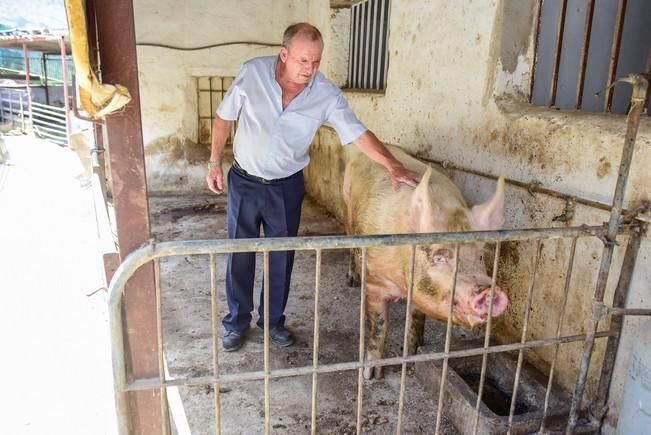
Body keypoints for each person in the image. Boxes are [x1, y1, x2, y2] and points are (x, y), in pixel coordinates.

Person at [206, 22, 420, 352]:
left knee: (282, 257)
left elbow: (358, 133)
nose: (310, 69)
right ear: (284, 54)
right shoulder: (252, 74)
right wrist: (214, 161)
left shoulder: (325, 95)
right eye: (303, 61)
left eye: (316, 61)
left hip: (286, 187)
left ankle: (273, 322)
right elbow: (223, 117)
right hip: (245, 181)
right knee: (240, 252)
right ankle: (236, 322)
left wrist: (393, 165)